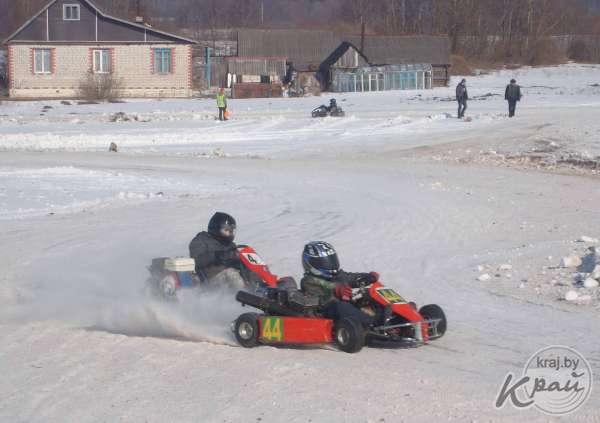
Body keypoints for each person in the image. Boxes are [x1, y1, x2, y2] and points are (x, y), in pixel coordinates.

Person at [300, 241, 379, 327]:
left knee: (369, 293)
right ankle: (372, 324)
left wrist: (368, 277)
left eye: (331, 260)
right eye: (324, 262)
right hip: (325, 312)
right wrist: (336, 289)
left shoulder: (338, 276)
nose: (329, 264)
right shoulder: (308, 280)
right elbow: (325, 285)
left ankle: (391, 317)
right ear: (311, 264)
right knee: (340, 306)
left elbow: (350, 277)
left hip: (345, 310)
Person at [189, 212, 247, 290]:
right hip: (209, 279)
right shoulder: (201, 240)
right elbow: (197, 260)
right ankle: (243, 296)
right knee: (231, 274)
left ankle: (264, 292)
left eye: (231, 231)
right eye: (226, 230)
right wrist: (217, 255)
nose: (229, 233)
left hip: (230, 276)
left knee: (251, 271)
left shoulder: (229, 244)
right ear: (216, 228)